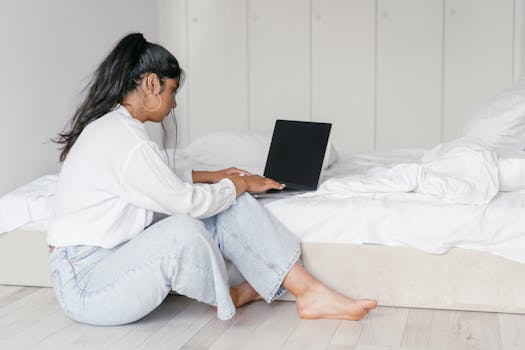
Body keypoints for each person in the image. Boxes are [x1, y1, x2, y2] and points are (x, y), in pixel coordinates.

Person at [48, 32, 377, 326]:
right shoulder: (123, 137)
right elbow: (184, 202)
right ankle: (231, 297)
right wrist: (239, 183)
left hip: (109, 260)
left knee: (228, 202)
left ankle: (309, 292)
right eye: (172, 90)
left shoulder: (118, 130)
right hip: (85, 284)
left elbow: (154, 177)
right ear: (151, 84)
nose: (173, 103)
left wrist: (215, 177)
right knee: (186, 227)